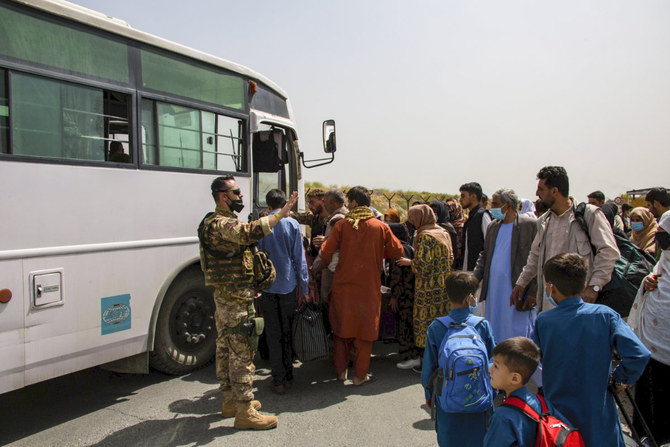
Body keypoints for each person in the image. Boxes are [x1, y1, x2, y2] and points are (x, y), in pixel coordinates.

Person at [199, 175, 298, 430]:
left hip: (228, 298)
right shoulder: (220, 224)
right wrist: (281, 214)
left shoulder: (219, 222)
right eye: (237, 192)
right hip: (234, 301)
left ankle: (230, 400)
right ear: (224, 196)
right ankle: (244, 410)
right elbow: (250, 231)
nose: (241, 196)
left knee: (226, 349)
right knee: (242, 352)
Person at [532, 253, 650, 447]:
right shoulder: (605, 315)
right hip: (599, 414)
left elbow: (538, 359)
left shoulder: (544, 321)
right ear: (585, 283)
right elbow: (639, 353)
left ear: (550, 287)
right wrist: (620, 378)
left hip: (560, 416)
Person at [320, 186, 403, 385]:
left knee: (341, 331)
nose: (347, 205)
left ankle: (341, 373)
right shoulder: (380, 226)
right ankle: (360, 376)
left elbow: (325, 253)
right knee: (365, 334)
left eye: (349, 202)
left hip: (343, 287)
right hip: (368, 289)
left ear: (355, 203)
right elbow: (397, 251)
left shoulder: (342, 225)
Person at [512, 166, 620, 311]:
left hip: (579, 304)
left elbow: (608, 252)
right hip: (549, 302)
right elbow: (535, 256)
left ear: (555, 191)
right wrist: (521, 283)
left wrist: (594, 286)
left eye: (541, 189)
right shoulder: (544, 221)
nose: (537, 194)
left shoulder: (588, 215)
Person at [421, 272, 495, 447]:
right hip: (480, 400)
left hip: (447, 400)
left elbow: (428, 368)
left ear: (448, 295)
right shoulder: (482, 325)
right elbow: (493, 361)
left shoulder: (437, 327)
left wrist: (429, 394)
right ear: (471, 298)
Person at [257, 189, 309, 394]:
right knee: (288, 331)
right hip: (288, 285)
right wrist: (304, 287)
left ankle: (277, 379)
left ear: (268, 206)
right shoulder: (293, 224)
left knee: (273, 333)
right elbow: (300, 259)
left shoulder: (262, 225)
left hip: (267, 288)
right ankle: (288, 376)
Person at [474, 189, 537, 343]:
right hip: (494, 289)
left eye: (495, 203)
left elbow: (536, 260)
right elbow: (485, 254)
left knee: (517, 330)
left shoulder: (529, 225)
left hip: (516, 290)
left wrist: (534, 291)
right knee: (494, 326)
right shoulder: (493, 226)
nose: (491, 207)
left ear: (508, 205)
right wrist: (474, 279)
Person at [484, 337, 571, 447]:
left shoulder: (502, 416)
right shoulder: (542, 403)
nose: (490, 370)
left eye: (496, 366)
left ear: (515, 378)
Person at [631, 213, 670, 444]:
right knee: (646, 393)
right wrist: (647, 283)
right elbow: (654, 279)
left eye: (665, 233)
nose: (660, 237)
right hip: (651, 342)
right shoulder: (664, 258)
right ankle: (642, 436)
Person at [396, 204, 453, 356]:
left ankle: (427, 360)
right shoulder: (443, 232)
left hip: (427, 288)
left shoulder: (425, 237)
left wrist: (410, 262)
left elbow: (423, 266)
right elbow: (451, 257)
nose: (412, 222)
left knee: (426, 324)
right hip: (444, 285)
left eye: (413, 219)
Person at [386, 223, 419, 369]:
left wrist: (394, 296)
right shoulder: (408, 247)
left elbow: (396, 275)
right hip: (411, 292)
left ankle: (408, 357)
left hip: (404, 295)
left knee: (404, 326)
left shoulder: (397, 249)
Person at [311, 188, 349, 300]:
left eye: (325, 202)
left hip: (332, 271)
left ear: (332, 202)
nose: (324, 205)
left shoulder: (336, 219)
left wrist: (314, 269)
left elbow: (327, 250)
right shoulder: (349, 215)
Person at [459, 182, 492, 271]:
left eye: (463, 196)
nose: (460, 200)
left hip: (479, 271)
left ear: (473, 196)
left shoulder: (482, 216)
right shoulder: (471, 217)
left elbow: (490, 243)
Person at [445, 198, 466, 269]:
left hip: (462, 260)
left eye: (451, 212)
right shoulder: (445, 226)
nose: (449, 215)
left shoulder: (465, 224)